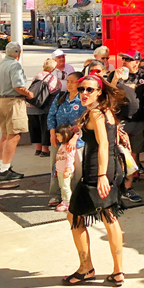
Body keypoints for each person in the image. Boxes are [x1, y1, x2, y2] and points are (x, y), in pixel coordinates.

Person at [64, 74, 125, 286]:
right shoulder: (105, 111)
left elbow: (104, 146)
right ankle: (117, 272)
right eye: (81, 89)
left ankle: (86, 268)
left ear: (99, 91)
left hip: (97, 172)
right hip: (112, 169)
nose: (84, 93)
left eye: (90, 89)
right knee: (110, 217)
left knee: (75, 217)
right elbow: (114, 138)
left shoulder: (97, 113)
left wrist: (100, 176)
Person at [110, 50, 144, 203]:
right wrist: (115, 79)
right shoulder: (117, 74)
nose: (130, 62)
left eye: (133, 60)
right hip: (122, 121)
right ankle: (117, 185)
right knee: (120, 154)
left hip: (140, 120)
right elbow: (108, 93)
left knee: (134, 155)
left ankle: (128, 187)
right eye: (127, 59)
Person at [0, 43, 33, 181]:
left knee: (5, 135)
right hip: (13, 101)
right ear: (19, 53)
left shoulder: (0, 64)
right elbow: (18, 86)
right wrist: (29, 94)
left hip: (0, 101)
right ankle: (5, 169)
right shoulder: (15, 65)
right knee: (14, 135)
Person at [47, 72, 86, 207]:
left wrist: (75, 138)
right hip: (59, 139)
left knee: (76, 168)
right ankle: (56, 195)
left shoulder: (83, 99)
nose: (68, 84)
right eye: (67, 81)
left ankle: (74, 196)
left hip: (77, 141)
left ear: (79, 83)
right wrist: (52, 133)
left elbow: (85, 120)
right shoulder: (61, 97)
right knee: (57, 167)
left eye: (72, 81)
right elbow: (51, 115)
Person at [27, 58, 60, 157]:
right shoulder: (52, 77)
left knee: (35, 128)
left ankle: (38, 148)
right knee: (44, 127)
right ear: (53, 68)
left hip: (31, 106)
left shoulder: (37, 75)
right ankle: (45, 150)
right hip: (43, 107)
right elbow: (52, 91)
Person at [53, 124, 77, 212]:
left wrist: (67, 169)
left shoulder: (69, 146)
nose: (57, 138)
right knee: (62, 186)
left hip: (65, 171)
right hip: (60, 170)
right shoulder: (62, 146)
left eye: (58, 136)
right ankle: (64, 200)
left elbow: (70, 158)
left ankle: (67, 202)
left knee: (65, 186)